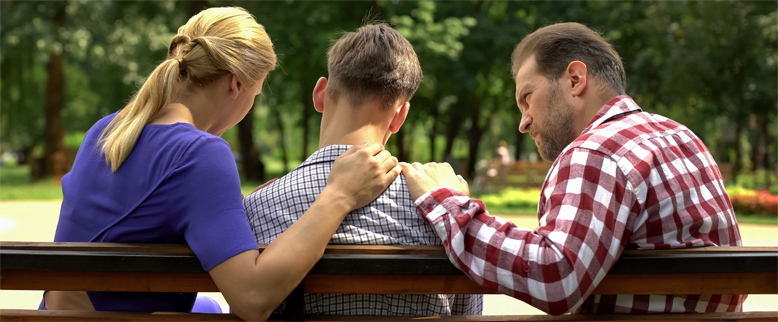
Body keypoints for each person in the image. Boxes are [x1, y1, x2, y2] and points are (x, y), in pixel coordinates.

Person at [42, 8, 401, 321]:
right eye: (255, 95)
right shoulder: (200, 153)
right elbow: (253, 299)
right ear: (235, 84)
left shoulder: (106, 129)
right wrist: (338, 195)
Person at [400, 22, 743, 315]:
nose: (523, 122)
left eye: (527, 97)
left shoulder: (598, 150)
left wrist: (446, 202)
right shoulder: (678, 135)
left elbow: (555, 276)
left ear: (575, 79)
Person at [243, 23, 482, 316]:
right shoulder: (444, 214)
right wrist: (457, 205)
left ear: (320, 94)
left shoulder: (258, 207)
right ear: (400, 116)